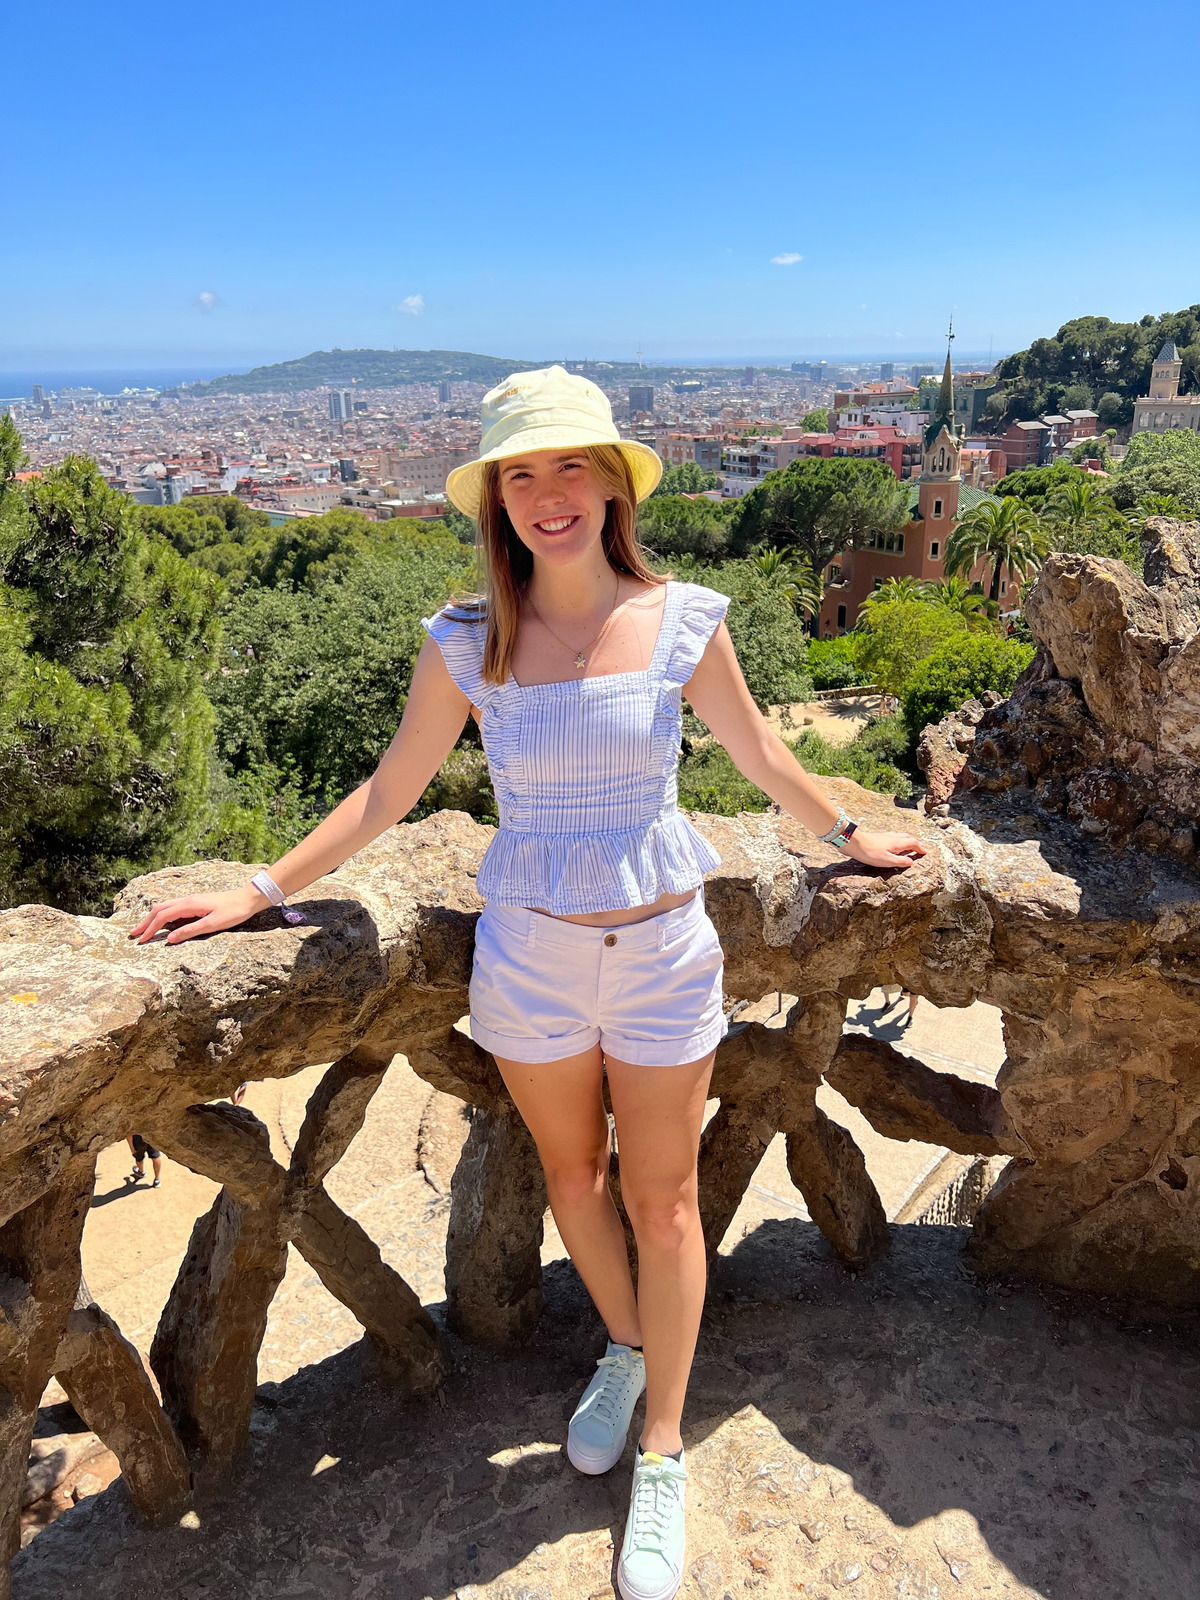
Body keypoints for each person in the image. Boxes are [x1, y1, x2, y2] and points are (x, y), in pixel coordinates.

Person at [127, 367, 924, 1600]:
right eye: (522, 474)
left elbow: (761, 752)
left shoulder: (682, 621)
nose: (549, 496)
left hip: (659, 955)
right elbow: (390, 791)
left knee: (662, 1206)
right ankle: (624, 1346)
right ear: (496, 498)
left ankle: (663, 1439)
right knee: (572, 1179)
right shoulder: (466, 639)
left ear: (612, 484)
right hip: (534, 957)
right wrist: (260, 887)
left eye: (570, 468)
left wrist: (846, 835)